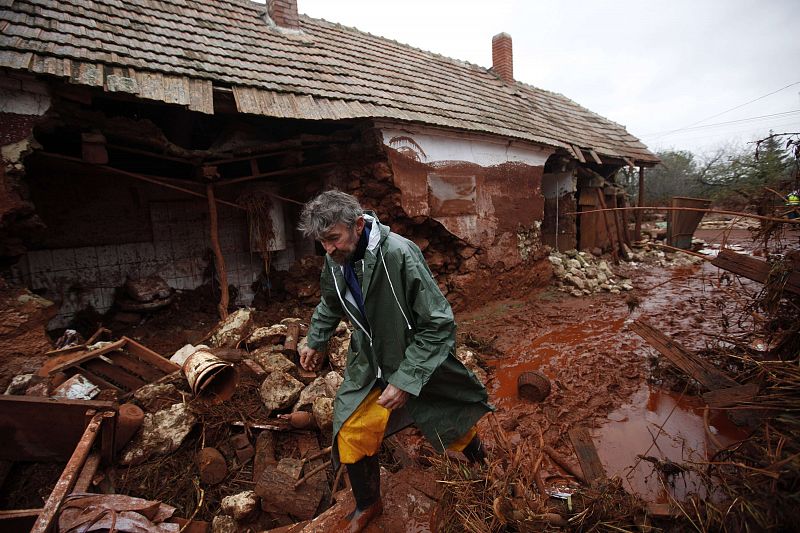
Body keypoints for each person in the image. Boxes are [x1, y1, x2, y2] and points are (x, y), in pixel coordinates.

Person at [298, 190, 492, 532]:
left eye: (333, 239)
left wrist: (405, 379)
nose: (327, 249)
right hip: (370, 363)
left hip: (418, 358)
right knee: (351, 428)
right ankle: (369, 504)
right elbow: (330, 302)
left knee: (450, 418)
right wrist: (316, 339)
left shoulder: (399, 254)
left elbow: (438, 323)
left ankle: (485, 472)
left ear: (358, 225)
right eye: (321, 242)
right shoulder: (336, 259)